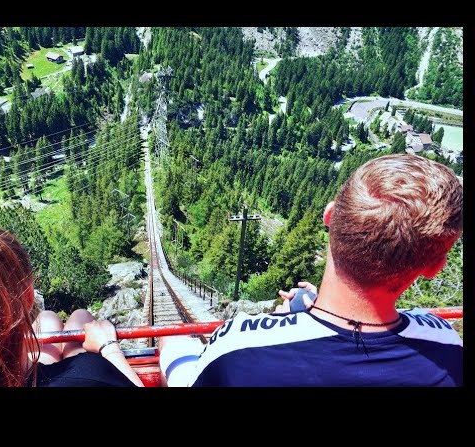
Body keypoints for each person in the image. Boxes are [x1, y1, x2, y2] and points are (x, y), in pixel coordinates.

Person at [159, 154, 463, 386]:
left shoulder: (236, 344)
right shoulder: (449, 349)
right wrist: (306, 308)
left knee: (175, 345)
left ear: (329, 216)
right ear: (434, 266)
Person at [0, 226, 143, 387]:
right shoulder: (90, 374)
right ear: (28, 297)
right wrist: (109, 348)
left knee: (49, 320)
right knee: (76, 319)